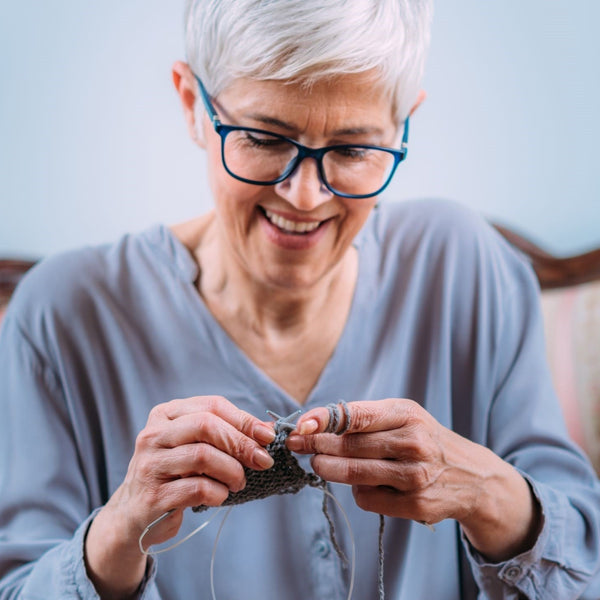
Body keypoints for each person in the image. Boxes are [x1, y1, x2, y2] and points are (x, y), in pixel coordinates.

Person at [1, 0, 599, 598]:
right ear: (192, 104)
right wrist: (119, 528)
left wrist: (486, 493)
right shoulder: (62, 318)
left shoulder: (470, 269)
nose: (306, 196)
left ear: (402, 124)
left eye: (353, 149)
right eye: (264, 138)